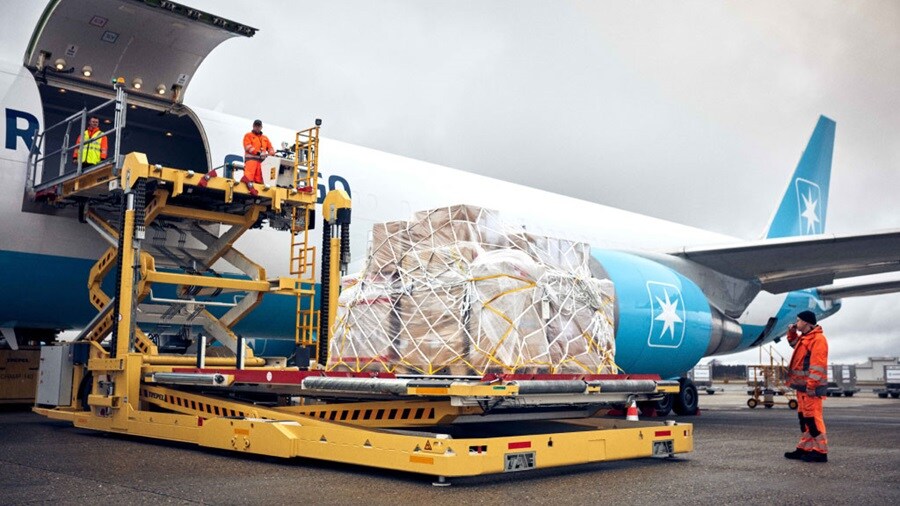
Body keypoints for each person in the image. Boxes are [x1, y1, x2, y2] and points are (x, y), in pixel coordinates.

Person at [784, 310, 829, 462]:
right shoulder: (805, 339)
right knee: (804, 419)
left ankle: (821, 452)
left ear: (807, 322)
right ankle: (804, 448)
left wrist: (811, 386)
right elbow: (793, 343)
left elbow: (818, 366)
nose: (796, 323)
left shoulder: (818, 340)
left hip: (811, 389)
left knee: (813, 419)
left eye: (798, 321)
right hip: (802, 387)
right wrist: (791, 332)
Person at [240, 119, 274, 196]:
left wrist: (271, 153)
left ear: (261, 127)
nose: (257, 128)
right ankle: (247, 190)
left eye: (259, 126)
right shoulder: (248, 135)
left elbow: (270, 148)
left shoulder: (265, 138)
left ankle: (256, 192)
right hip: (251, 161)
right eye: (256, 126)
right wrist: (258, 152)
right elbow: (248, 147)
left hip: (261, 163)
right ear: (253, 126)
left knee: (258, 180)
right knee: (249, 177)